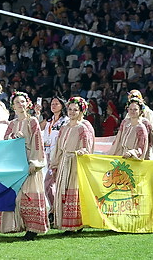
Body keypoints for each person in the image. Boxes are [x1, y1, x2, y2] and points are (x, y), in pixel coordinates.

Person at [0, 91, 48, 241]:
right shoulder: (12, 124)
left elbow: (38, 142)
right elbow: (5, 141)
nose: (20, 104)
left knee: (29, 196)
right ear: (12, 106)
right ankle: (16, 225)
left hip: (29, 161)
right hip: (16, 164)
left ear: (28, 104)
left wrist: (35, 162)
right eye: (17, 102)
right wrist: (12, 137)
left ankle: (33, 228)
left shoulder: (32, 122)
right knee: (17, 197)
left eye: (23, 101)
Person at [51, 97, 94, 234]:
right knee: (62, 190)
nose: (72, 112)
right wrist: (55, 163)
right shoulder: (64, 127)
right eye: (70, 109)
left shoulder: (82, 128)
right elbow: (58, 147)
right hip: (64, 160)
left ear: (81, 111)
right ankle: (65, 223)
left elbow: (87, 147)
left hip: (75, 162)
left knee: (73, 191)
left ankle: (76, 223)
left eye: (76, 110)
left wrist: (82, 151)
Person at [39, 96, 68, 225]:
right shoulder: (49, 121)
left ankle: (55, 211)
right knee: (51, 184)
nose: (53, 105)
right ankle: (55, 210)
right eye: (52, 103)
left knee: (50, 183)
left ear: (62, 106)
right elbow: (41, 133)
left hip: (60, 156)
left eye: (56, 103)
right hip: (49, 155)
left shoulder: (65, 121)